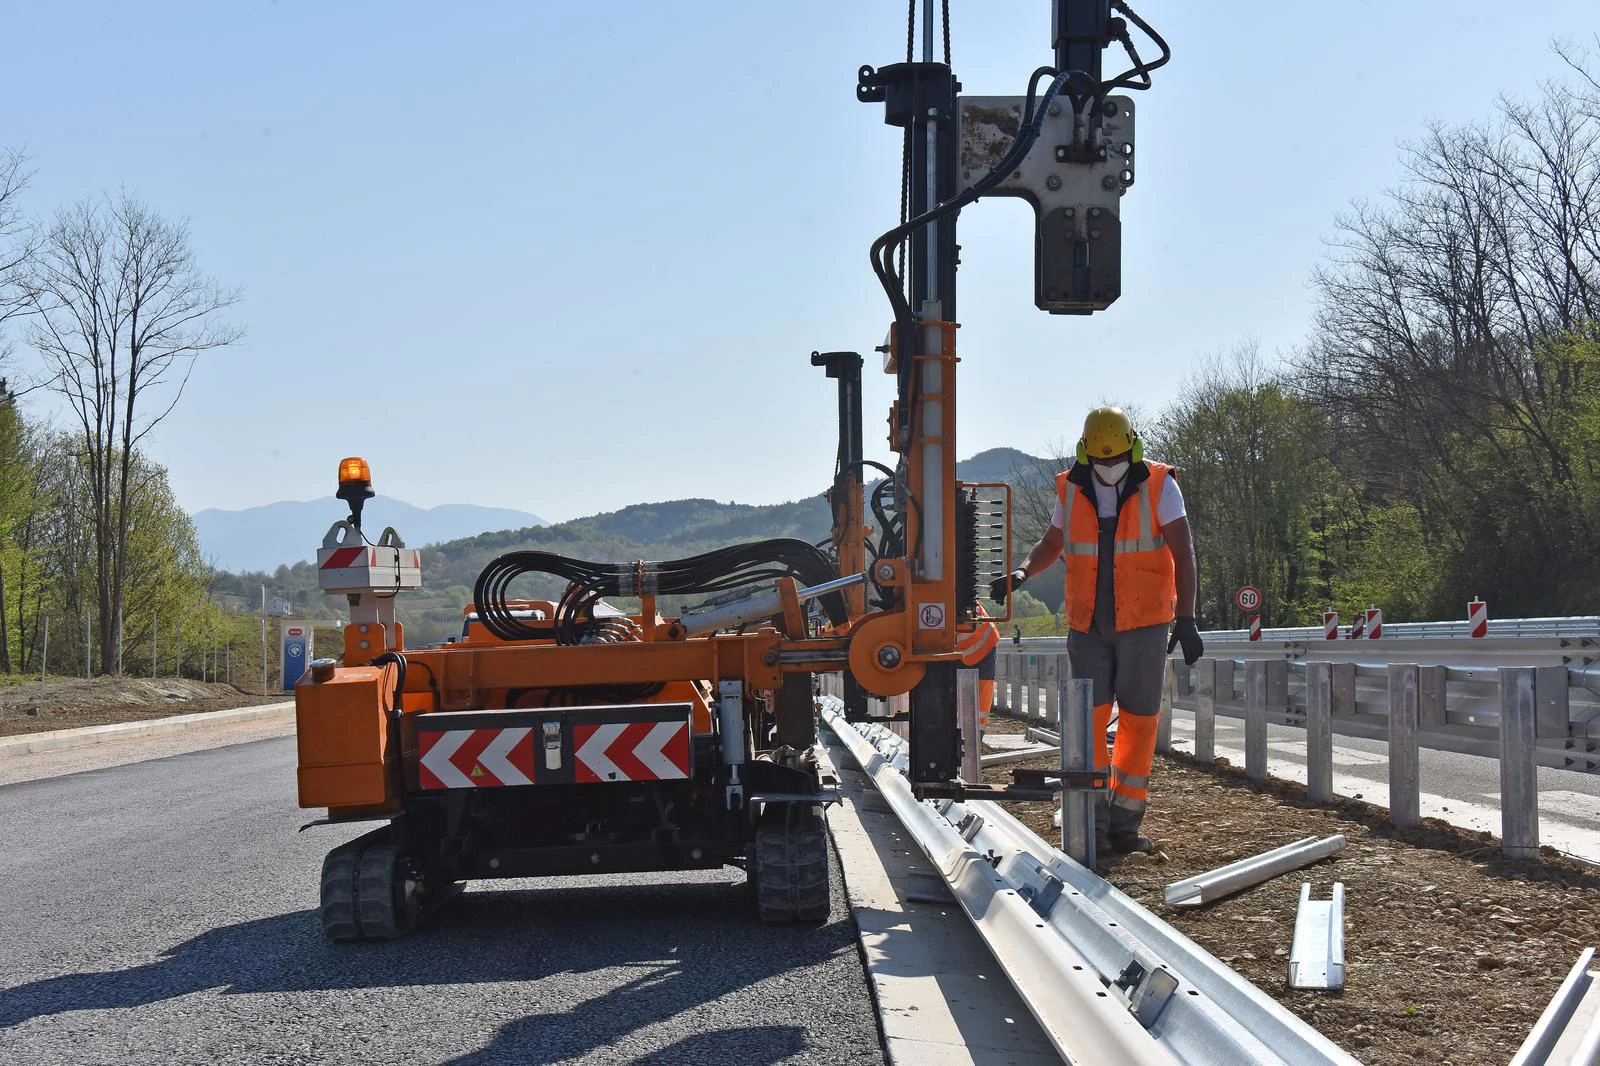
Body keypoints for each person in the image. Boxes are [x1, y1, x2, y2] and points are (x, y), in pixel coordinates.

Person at [990, 406, 1203, 855]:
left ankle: (1125, 824)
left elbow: (1184, 552)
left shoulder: (1161, 486)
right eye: (1100, 461)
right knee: (1086, 721)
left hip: (1144, 622)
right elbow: (1053, 541)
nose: (1108, 468)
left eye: (1116, 459)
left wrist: (1187, 618)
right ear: (1086, 454)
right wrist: (1022, 573)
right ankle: (1093, 822)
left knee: (1140, 721)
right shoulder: (1070, 488)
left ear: (1133, 447)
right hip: (1088, 623)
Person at [955, 605, 1000, 727]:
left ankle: (974, 733)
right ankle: (973, 733)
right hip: (983, 643)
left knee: (979, 699)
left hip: (981, 646)